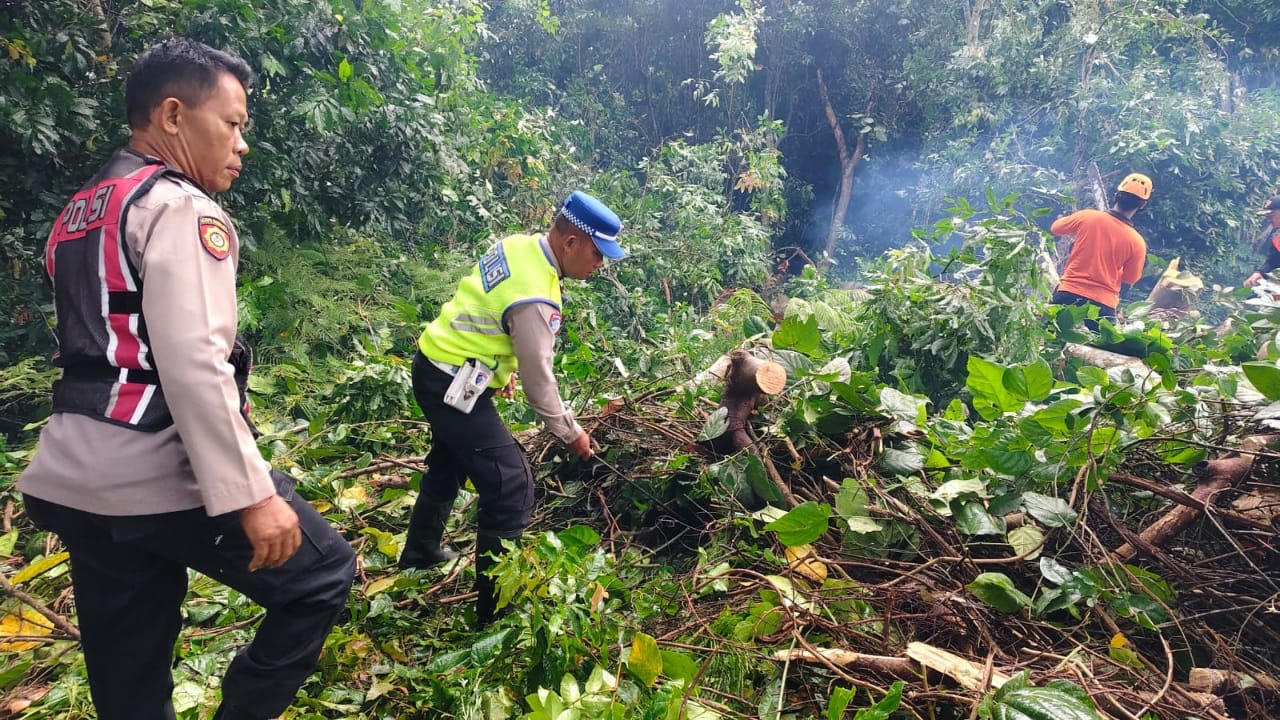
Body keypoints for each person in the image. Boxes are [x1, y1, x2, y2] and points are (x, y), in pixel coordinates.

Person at [18, 39, 354, 720]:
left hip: (73, 474)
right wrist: (251, 495)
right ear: (172, 115)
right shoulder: (181, 207)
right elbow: (194, 364)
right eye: (232, 125)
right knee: (321, 575)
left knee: (129, 678)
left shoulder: (82, 209)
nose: (242, 144)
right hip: (151, 468)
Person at [399, 191, 625, 627]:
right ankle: (494, 613)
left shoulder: (519, 245)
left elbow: (488, 309)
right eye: (598, 254)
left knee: (449, 462)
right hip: (450, 381)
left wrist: (500, 368)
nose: (600, 266)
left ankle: (420, 552)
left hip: (439, 364)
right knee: (511, 486)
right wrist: (570, 432)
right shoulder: (537, 298)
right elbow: (542, 383)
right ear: (571, 242)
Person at [1050, 172, 1152, 324]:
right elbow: (1130, 278)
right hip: (1103, 306)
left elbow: (1056, 228)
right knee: (1102, 346)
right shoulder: (1137, 242)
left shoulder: (1088, 216)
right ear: (1142, 205)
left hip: (1069, 293)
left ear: (1116, 196)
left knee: (1049, 340)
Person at [1243, 195, 1280, 287]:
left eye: (1272, 215)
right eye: (1267, 215)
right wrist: (1260, 273)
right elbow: (1273, 261)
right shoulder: (1277, 237)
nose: (1269, 219)